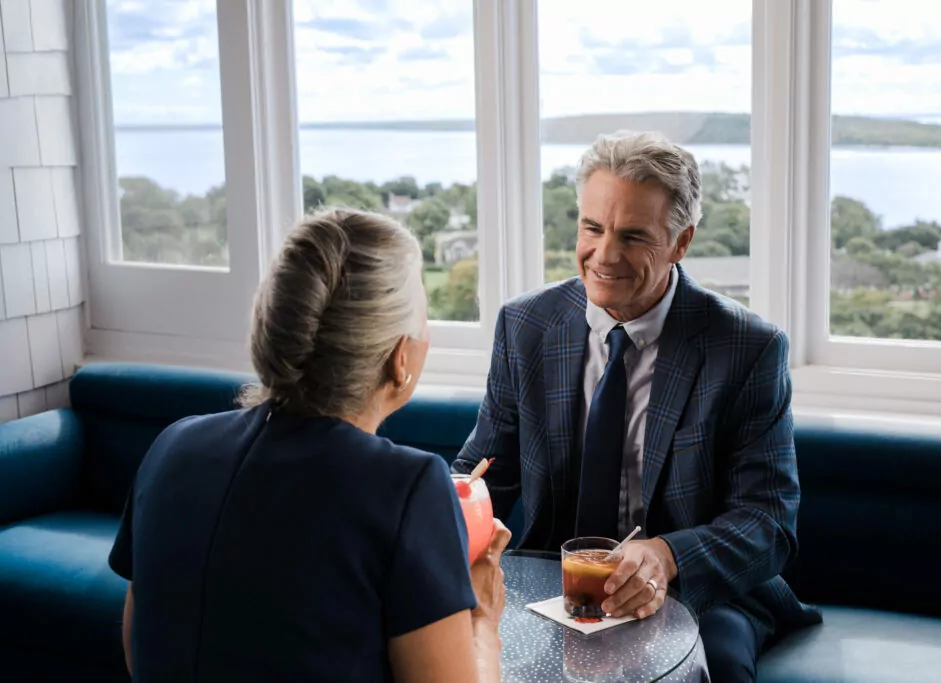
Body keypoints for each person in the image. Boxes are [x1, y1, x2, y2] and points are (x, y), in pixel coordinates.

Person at [452, 130, 822, 682]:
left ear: (680, 242)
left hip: (701, 593)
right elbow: (481, 476)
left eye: (632, 236)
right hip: (553, 585)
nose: (604, 255)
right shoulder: (525, 326)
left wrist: (667, 556)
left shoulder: (747, 347)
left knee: (712, 666)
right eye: (592, 228)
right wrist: (426, 515)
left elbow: (768, 524)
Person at [109, 209, 511, 683]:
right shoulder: (407, 487)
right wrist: (480, 617)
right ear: (400, 358)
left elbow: (141, 653)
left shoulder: (173, 446)